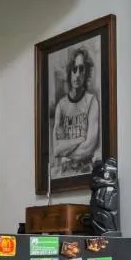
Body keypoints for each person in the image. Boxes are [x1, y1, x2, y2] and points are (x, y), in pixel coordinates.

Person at [50, 46, 101, 180]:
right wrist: (79, 139)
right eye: (74, 69)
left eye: (81, 69)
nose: (77, 74)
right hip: (64, 175)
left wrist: (65, 150)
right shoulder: (61, 106)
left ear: (86, 72)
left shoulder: (92, 102)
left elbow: (88, 147)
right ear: (69, 72)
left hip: (86, 174)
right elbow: (56, 149)